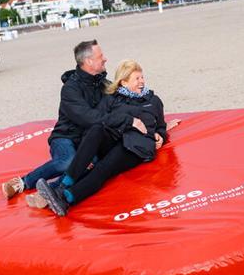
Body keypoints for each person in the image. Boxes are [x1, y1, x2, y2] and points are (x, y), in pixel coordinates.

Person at [1, 40, 147, 204]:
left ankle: (50, 192)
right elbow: (88, 118)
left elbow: (123, 100)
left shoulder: (103, 85)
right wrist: (127, 121)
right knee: (68, 161)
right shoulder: (71, 89)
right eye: (101, 56)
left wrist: (154, 124)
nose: (105, 59)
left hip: (89, 139)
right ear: (89, 61)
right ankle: (22, 182)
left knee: (91, 164)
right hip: (67, 136)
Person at [35, 59, 174, 217]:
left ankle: (66, 198)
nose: (142, 82)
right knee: (96, 129)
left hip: (135, 145)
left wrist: (161, 135)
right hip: (115, 136)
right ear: (124, 82)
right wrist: (128, 121)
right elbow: (100, 118)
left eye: (142, 77)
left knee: (104, 167)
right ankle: (64, 184)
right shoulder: (112, 98)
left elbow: (161, 125)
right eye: (137, 78)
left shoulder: (153, 101)